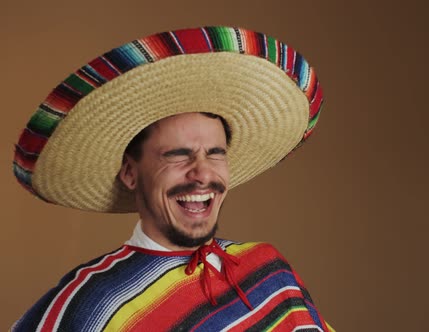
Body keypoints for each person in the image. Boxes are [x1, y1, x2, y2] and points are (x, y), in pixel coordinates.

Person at [12, 26, 332, 331]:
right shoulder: (92, 305)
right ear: (130, 173)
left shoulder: (268, 270)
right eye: (177, 155)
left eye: (215, 152)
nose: (203, 173)